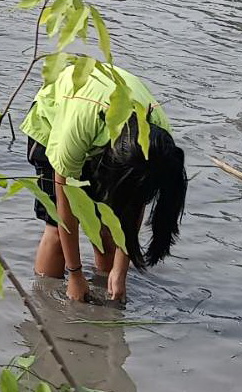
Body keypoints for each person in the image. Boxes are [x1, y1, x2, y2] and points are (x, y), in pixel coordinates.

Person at [22, 64, 187, 303]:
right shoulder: (78, 127)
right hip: (58, 122)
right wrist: (75, 275)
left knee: (106, 232)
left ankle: (106, 295)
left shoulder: (160, 140)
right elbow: (65, 207)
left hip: (103, 132)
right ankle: (46, 307)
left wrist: (121, 271)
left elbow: (134, 204)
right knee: (56, 231)